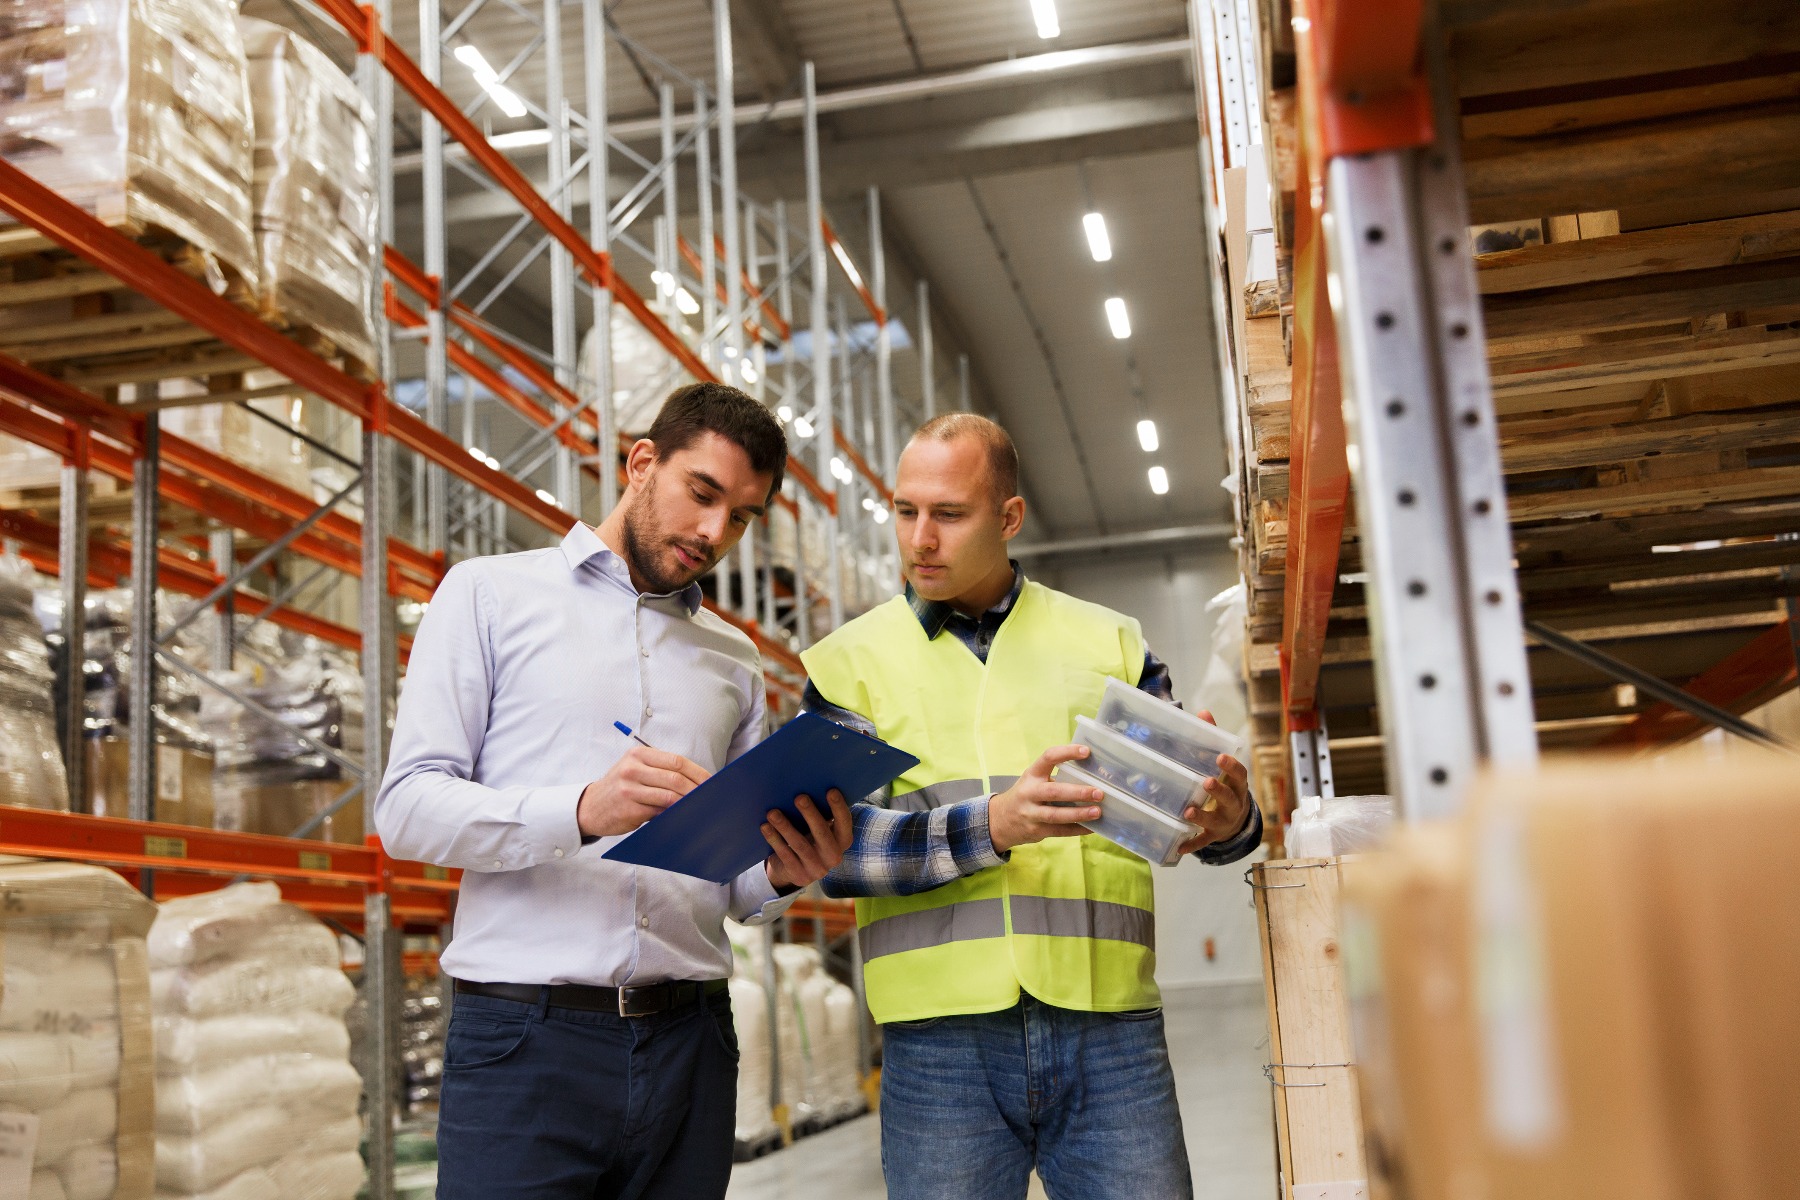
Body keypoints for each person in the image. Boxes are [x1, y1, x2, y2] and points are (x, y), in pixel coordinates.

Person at [376, 383, 854, 1200]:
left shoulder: (733, 659)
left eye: (740, 516)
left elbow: (733, 882)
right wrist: (580, 809)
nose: (713, 532)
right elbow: (408, 810)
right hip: (526, 1045)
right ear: (641, 463)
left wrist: (783, 869)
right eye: (701, 493)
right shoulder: (489, 595)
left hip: (692, 1044)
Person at [794, 413, 1261, 1200]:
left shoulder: (1108, 642)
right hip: (939, 1044)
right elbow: (830, 851)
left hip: (1109, 1026)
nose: (919, 539)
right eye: (906, 511)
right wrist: (991, 827)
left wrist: (1227, 821)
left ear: (1009, 518)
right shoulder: (851, 666)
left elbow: (1190, 810)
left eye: (948, 514)